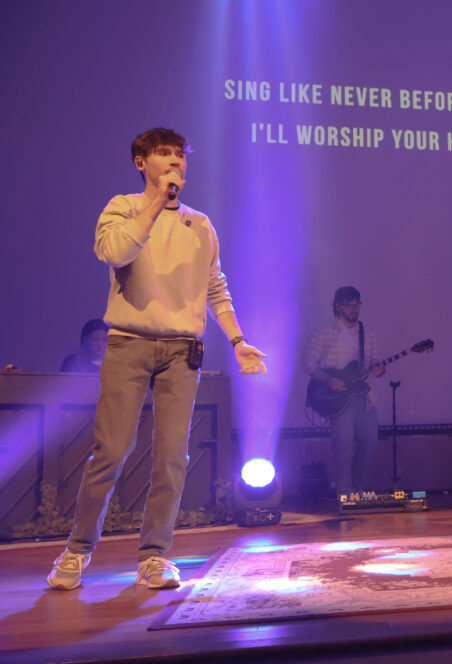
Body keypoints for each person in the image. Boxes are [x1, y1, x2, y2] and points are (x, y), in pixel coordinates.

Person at [47, 128, 268, 591]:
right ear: (140, 162)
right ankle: (77, 550)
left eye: (179, 156)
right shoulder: (123, 207)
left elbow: (215, 287)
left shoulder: (200, 224)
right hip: (128, 342)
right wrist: (156, 203)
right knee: (111, 451)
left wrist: (238, 341)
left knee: (172, 456)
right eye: (163, 155)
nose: (175, 163)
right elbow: (114, 251)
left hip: (182, 350)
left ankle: (153, 555)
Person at [302, 286, 383, 496]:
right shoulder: (324, 333)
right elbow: (308, 363)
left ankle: (358, 488)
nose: (354, 309)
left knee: (369, 440)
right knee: (344, 443)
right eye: (350, 305)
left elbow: (376, 364)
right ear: (338, 306)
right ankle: (345, 493)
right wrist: (329, 380)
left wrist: (380, 369)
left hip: (364, 396)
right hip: (337, 398)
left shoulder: (369, 334)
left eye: (357, 305)